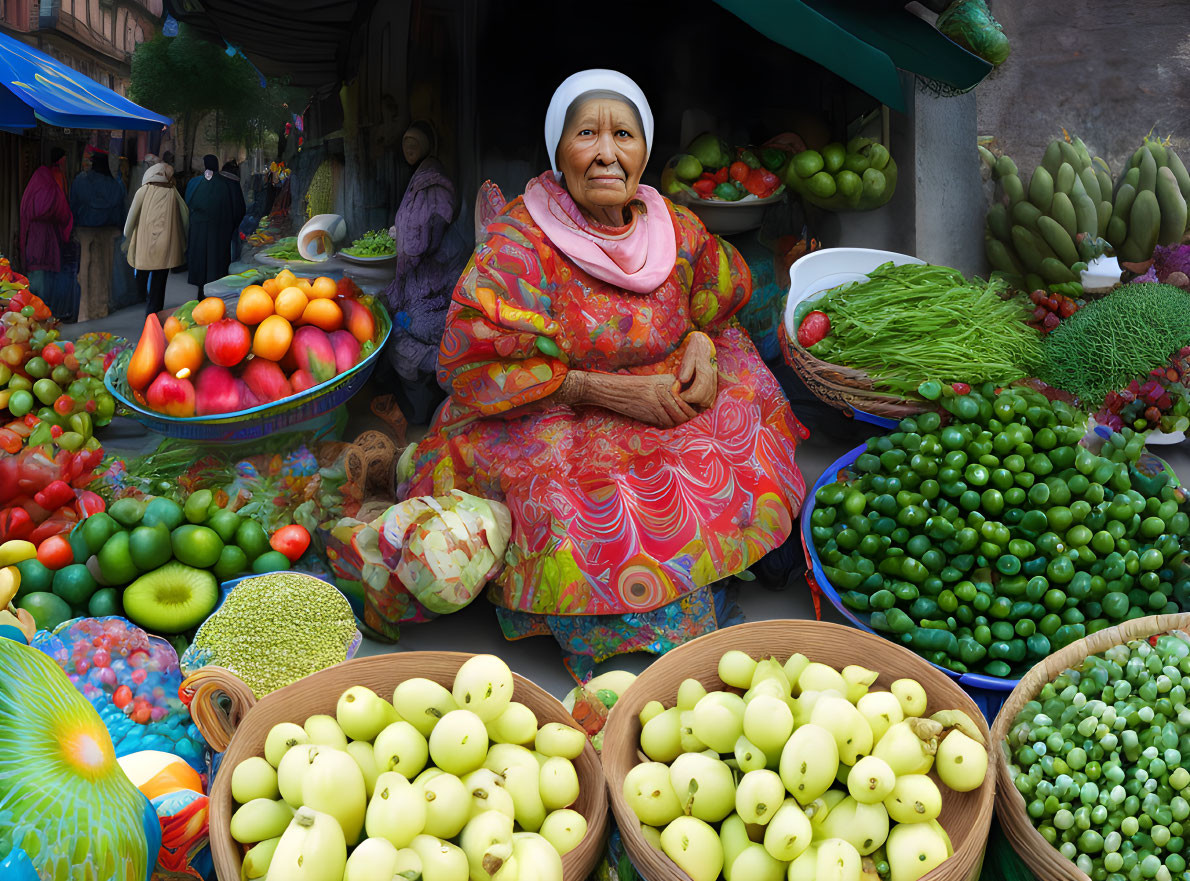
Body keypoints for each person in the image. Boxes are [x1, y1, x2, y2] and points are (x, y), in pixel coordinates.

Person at [401, 70, 809, 677]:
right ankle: (624, 624)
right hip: (551, 404)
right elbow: (475, 360)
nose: (606, 153)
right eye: (587, 133)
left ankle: (732, 564)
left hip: (661, 381)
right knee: (583, 500)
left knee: (741, 407)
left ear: (644, 152)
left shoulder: (668, 220)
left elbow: (713, 295)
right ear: (559, 149)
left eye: (624, 135)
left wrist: (700, 341)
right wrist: (604, 390)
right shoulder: (520, 239)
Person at [381, 121, 468, 424]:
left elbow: (428, 231)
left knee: (406, 328)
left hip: (441, 292)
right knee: (390, 313)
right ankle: (418, 400)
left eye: (414, 143)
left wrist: (409, 240)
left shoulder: (434, 181)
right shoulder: (420, 176)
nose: (408, 148)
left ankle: (427, 401)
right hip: (426, 282)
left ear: (427, 146)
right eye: (405, 142)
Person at [125, 158, 188, 316]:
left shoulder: (143, 190)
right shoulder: (172, 191)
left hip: (144, 244)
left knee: (142, 270)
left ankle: (139, 296)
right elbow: (185, 214)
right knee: (160, 280)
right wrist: (182, 234)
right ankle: (153, 312)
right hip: (166, 245)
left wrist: (127, 234)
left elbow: (130, 219)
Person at [19, 150, 77, 320]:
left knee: (37, 277)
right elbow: (60, 209)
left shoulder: (34, 187)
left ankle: (36, 314)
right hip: (48, 240)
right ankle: (43, 313)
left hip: (34, 241)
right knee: (44, 280)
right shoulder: (51, 184)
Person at [70, 150, 127, 322]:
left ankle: (84, 311)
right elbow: (120, 209)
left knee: (84, 273)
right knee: (104, 273)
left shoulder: (81, 180)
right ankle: (101, 309)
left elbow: (73, 203)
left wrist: (72, 227)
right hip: (107, 233)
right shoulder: (114, 185)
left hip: (84, 232)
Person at [185, 155, 235, 296]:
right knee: (215, 262)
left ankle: (201, 291)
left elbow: (188, 202)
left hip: (198, 230)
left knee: (199, 260)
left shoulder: (194, 183)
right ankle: (213, 294)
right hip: (218, 230)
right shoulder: (224, 184)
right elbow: (231, 210)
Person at [220, 160, 247, 264]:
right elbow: (240, 208)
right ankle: (233, 262)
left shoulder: (219, 183)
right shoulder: (234, 185)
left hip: (220, 222)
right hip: (231, 222)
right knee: (233, 242)